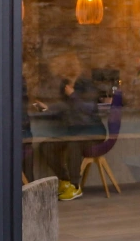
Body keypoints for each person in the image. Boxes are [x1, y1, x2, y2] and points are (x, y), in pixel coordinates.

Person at [45, 53, 106, 201]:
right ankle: (65, 181)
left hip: (93, 132)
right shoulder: (65, 84)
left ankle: (75, 186)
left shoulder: (86, 84)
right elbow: (66, 106)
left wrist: (73, 95)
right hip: (74, 131)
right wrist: (48, 107)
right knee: (46, 146)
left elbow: (89, 108)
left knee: (74, 144)